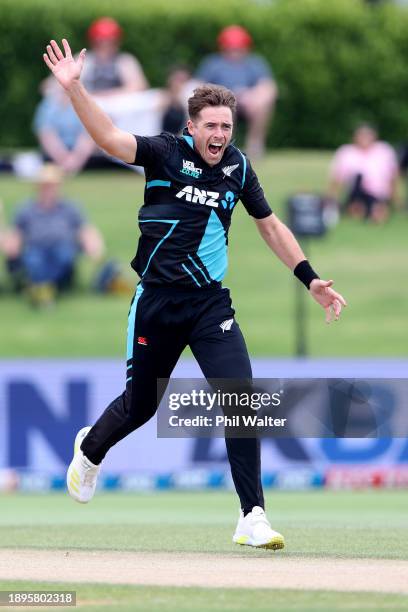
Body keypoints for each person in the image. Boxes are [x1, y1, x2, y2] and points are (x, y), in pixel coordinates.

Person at [43, 39, 346, 549]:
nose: (220, 135)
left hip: (209, 305)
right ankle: (90, 449)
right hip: (158, 303)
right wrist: (75, 88)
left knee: (240, 400)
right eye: (211, 125)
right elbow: (110, 138)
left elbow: (270, 226)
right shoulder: (164, 153)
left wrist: (310, 278)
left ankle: (252, 516)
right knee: (140, 407)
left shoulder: (239, 169)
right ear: (192, 126)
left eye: (227, 126)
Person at [2, 163, 104, 306]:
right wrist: (12, 246)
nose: (48, 188)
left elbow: (85, 230)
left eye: (52, 185)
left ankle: (43, 288)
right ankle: (43, 288)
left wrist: (93, 246)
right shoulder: (25, 209)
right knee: (34, 259)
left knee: (63, 255)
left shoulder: (70, 208)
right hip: (36, 247)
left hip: (63, 247)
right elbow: (16, 233)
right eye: (45, 185)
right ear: (38, 186)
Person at [196, 25, 278, 158]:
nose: (234, 52)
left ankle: (255, 145)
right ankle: (221, 145)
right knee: (224, 107)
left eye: (238, 49)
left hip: (249, 104)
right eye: (231, 49)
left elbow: (268, 87)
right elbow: (198, 86)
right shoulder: (213, 63)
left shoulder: (255, 63)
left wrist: (254, 96)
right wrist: (224, 95)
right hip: (219, 103)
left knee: (264, 103)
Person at [328, 123, 400, 223]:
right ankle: (359, 209)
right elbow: (337, 179)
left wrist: (395, 200)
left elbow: (392, 178)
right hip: (355, 193)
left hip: (378, 195)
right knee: (358, 181)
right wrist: (331, 201)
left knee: (376, 210)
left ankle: (375, 210)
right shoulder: (346, 152)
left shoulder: (384, 150)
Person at [33, 80, 96, 174]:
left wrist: (75, 159)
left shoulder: (85, 104)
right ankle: (67, 164)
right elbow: (45, 133)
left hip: (81, 153)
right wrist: (63, 158)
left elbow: (87, 135)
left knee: (90, 135)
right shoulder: (49, 105)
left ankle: (72, 164)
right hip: (55, 152)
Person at [81, 17, 148, 96]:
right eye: (100, 43)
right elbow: (69, 88)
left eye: (110, 43)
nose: (105, 47)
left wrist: (107, 95)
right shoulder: (84, 59)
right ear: (93, 43)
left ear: (117, 43)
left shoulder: (125, 61)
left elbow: (139, 86)